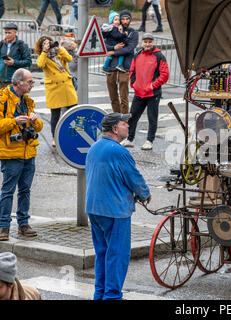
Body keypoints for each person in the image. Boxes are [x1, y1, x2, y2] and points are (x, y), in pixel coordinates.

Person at [85, 112, 151, 300]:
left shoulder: (95, 147)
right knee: (117, 255)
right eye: (124, 124)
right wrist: (145, 194)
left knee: (102, 253)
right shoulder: (119, 151)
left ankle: (100, 293)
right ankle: (112, 296)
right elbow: (134, 178)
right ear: (115, 129)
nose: (128, 126)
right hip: (114, 210)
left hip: (94, 208)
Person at [0, 68, 43, 241]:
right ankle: (3, 227)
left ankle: (23, 224)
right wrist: (14, 121)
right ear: (19, 83)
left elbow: (39, 127)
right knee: (8, 191)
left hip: (28, 152)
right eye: (30, 82)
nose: (32, 85)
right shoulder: (3, 99)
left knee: (25, 190)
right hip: (11, 153)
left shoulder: (27, 100)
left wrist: (35, 121)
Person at [121, 33, 169, 150]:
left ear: (153, 43)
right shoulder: (137, 55)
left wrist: (153, 86)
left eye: (150, 42)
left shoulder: (159, 56)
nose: (147, 44)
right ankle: (129, 139)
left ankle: (149, 140)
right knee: (133, 117)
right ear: (142, 43)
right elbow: (132, 71)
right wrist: (134, 84)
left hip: (153, 94)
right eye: (145, 42)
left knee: (152, 118)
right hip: (139, 93)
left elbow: (165, 75)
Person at [35, 35, 78, 147]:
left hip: (66, 86)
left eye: (49, 42)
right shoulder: (42, 56)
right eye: (44, 43)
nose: (48, 45)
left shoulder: (59, 52)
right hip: (54, 88)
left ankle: (77, 135)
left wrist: (59, 48)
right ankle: (55, 138)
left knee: (74, 112)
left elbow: (69, 59)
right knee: (55, 116)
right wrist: (44, 51)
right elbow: (40, 64)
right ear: (41, 46)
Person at [105, 10, 139, 115]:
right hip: (111, 67)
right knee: (113, 97)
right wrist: (113, 47)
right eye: (123, 19)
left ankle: (124, 119)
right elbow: (104, 45)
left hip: (125, 67)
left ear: (130, 20)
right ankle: (116, 117)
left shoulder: (133, 33)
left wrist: (113, 52)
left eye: (127, 19)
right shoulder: (112, 30)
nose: (125, 21)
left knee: (123, 97)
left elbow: (129, 48)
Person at [0, 23, 32, 88]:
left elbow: (28, 62)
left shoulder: (22, 45)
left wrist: (14, 62)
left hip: (14, 81)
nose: (7, 35)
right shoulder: (1, 44)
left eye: (9, 33)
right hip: (1, 81)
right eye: (5, 33)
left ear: (15, 33)